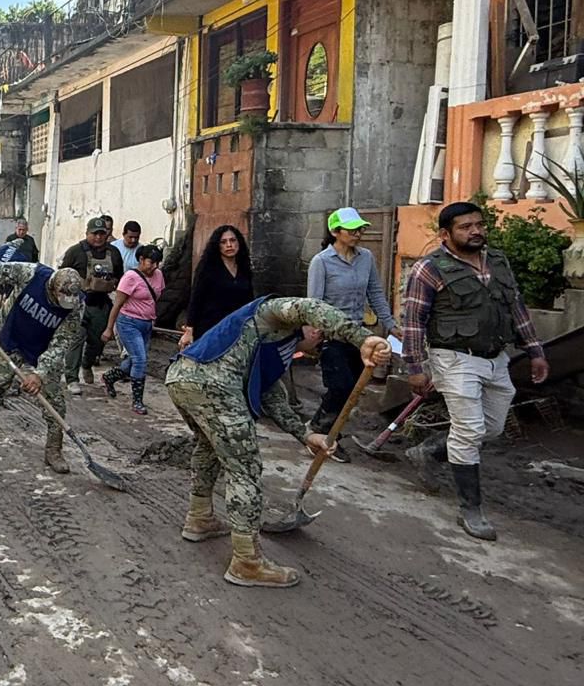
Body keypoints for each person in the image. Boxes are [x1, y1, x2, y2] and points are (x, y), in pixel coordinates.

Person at [167, 296, 391, 587]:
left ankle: (199, 518)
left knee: (209, 448)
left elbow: (273, 397)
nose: (318, 338)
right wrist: (363, 339)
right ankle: (246, 562)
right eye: (319, 333)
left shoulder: (278, 349)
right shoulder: (273, 313)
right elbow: (311, 308)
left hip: (182, 379)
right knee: (244, 469)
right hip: (212, 383)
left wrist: (306, 435)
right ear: (309, 326)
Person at [401, 201, 550, 541]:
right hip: (454, 359)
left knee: (492, 428)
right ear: (446, 234)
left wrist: (535, 350)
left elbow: (516, 307)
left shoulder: (497, 262)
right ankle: (471, 508)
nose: (476, 231)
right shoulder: (429, 269)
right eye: (466, 227)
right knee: (470, 430)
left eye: (479, 225)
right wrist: (414, 367)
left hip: (496, 358)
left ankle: (429, 451)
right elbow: (413, 322)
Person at [0, 263, 84, 474]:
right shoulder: (30, 274)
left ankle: (54, 449)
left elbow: (61, 344)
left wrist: (39, 374)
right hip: (8, 343)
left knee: (55, 402)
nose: (63, 304)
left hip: (42, 353)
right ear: (53, 287)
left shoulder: (74, 307)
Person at [307, 208, 401, 460]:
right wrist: (316, 332)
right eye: (352, 230)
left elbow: (375, 293)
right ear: (336, 232)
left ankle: (327, 433)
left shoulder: (366, 258)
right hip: (332, 336)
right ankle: (321, 433)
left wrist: (390, 324)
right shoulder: (322, 262)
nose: (358, 234)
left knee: (353, 390)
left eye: (360, 229)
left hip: (359, 336)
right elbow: (313, 303)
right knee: (340, 386)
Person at [60, 217, 124, 394]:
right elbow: (61, 276)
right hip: (78, 303)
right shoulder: (75, 252)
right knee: (76, 340)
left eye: (102, 233)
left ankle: (87, 364)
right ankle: (71, 378)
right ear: (87, 233)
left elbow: (121, 277)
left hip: (101, 304)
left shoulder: (114, 253)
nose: (98, 237)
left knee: (98, 341)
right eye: (94, 234)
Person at [101, 244, 165, 415]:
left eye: (157, 263)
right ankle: (137, 401)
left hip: (147, 323)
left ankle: (109, 377)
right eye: (151, 262)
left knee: (133, 361)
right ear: (141, 260)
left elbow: (155, 298)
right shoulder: (130, 277)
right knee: (140, 360)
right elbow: (117, 305)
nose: (155, 266)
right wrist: (109, 329)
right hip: (128, 323)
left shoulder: (158, 275)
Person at [180, 225, 254, 349]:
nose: (229, 245)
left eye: (232, 240)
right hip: (210, 329)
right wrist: (189, 330)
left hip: (237, 329)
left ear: (239, 242)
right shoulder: (208, 269)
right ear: (217, 245)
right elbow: (196, 299)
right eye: (223, 242)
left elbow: (249, 300)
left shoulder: (244, 268)